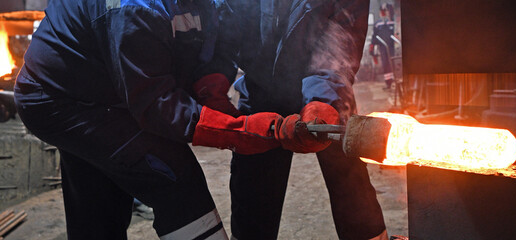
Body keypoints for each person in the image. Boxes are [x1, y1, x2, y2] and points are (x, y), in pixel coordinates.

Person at [13, 0, 323, 239]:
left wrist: (212, 92)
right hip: (63, 100)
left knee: (99, 200)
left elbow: (211, 45)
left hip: (112, 87)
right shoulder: (133, 10)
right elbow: (158, 107)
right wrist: (241, 130)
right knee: (173, 175)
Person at [214, 0, 389, 239]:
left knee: (350, 186)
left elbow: (341, 41)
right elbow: (223, 29)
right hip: (260, 92)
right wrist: (213, 78)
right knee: (254, 192)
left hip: (328, 93)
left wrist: (322, 101)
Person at [369, 3, 397, 90]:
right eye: (383, 11)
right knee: (385, 64)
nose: (385, 13)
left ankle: (394, 82)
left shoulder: (393, 22)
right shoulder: (378, 24)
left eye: (387, 11)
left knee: (392, 63)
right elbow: (374, 36)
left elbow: (395, 33)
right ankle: (388, 83)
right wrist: (372, 47)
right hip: (383, 47)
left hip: (392, 47)